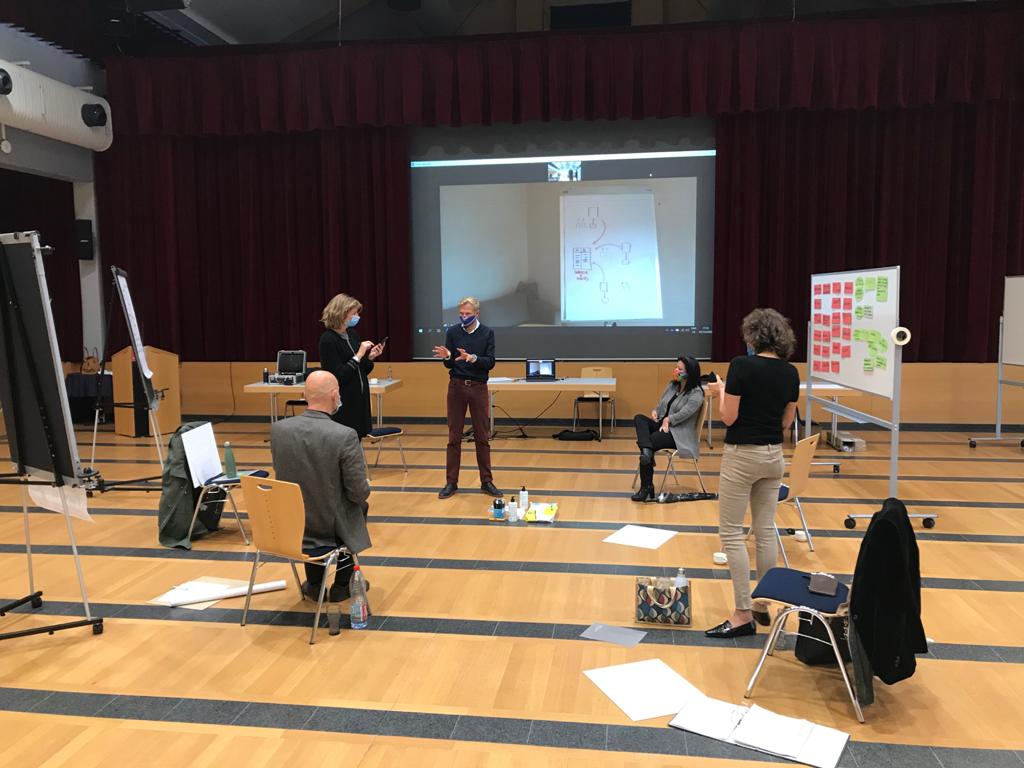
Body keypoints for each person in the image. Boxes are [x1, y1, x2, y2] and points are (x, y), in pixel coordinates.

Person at [705, 308, 800, 639]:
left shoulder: (741, 366)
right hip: (774, 456)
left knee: (731, 534)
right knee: (765, 530)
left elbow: (728, 417)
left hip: (742, 455)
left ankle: (742, 614)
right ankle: (762, 603)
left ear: (752, 335)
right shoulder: (790, 373)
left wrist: (720, 392)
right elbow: (786, 422)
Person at [271, 370, 371, 602]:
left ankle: (315, 584)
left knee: (310, 502)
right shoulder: (344, 435)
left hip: (289, 525)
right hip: (328, 528)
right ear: (335, 395)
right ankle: (343, 584)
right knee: (358, 507)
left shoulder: (278, 429)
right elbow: (358, 492)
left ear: (304, 395)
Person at [431, 296, 502, 499]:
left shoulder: (487, 332)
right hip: (456, 387)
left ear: (477, 313)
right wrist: (447, 356)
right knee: (454, 437)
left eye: (468, 314)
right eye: (461, 314)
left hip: (478, 387)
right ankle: (451, 482)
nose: (464, 317)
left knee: (482, 436)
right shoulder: (453, 332)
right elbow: (449, 364)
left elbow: (490, 362)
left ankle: (486, 481)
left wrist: (472, 358)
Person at [630, 356, 705, 502]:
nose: (676, 371)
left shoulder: (696, 393)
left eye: (680, 369)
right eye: (676, 367)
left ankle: (646, 487)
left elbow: (685, 413)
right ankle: (646, 453)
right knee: (639, 419)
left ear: (690, 372)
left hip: (678, 433)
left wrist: (668, 419)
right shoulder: (672, 385)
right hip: (662, 426)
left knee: (650, 441)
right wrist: (655, 411)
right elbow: (661, 405)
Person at [319, 293, 384, 439]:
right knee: (344, 443)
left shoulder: (352, 334)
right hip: (343, 403)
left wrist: (370, 357)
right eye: (353, 313)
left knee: (357, 440)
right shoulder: (328, 340)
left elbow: (360, 370)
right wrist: (359, 355)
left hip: (359, 401)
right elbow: (338, 376)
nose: (357, 317)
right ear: (341, 313)